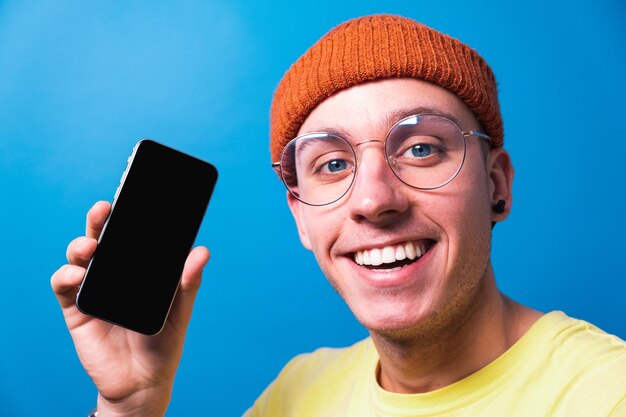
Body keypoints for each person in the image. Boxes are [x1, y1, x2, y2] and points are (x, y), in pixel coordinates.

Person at [51, 14, 626, 417]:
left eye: (421, 149)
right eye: (331, 164)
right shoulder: (298, 392)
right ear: (301, 217)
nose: (375, 200)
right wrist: (128, 408)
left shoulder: (606, 394)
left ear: (496, 185)